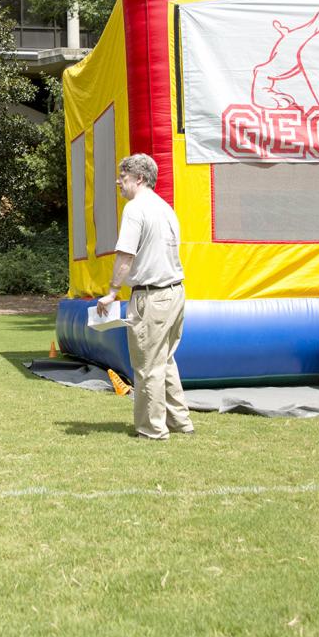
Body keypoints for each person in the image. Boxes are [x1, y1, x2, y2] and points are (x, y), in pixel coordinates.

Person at [95, 153, 194, 441]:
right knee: (165, 360)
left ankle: (152, 429)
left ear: (139, 178)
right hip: (175, 293)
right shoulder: (165, 208)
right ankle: (180, 422)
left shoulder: (135, 209)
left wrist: (113, 291)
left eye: (123, 178)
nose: (118, 182)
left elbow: (126, 254)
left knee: (148, 365)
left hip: (152, 297)